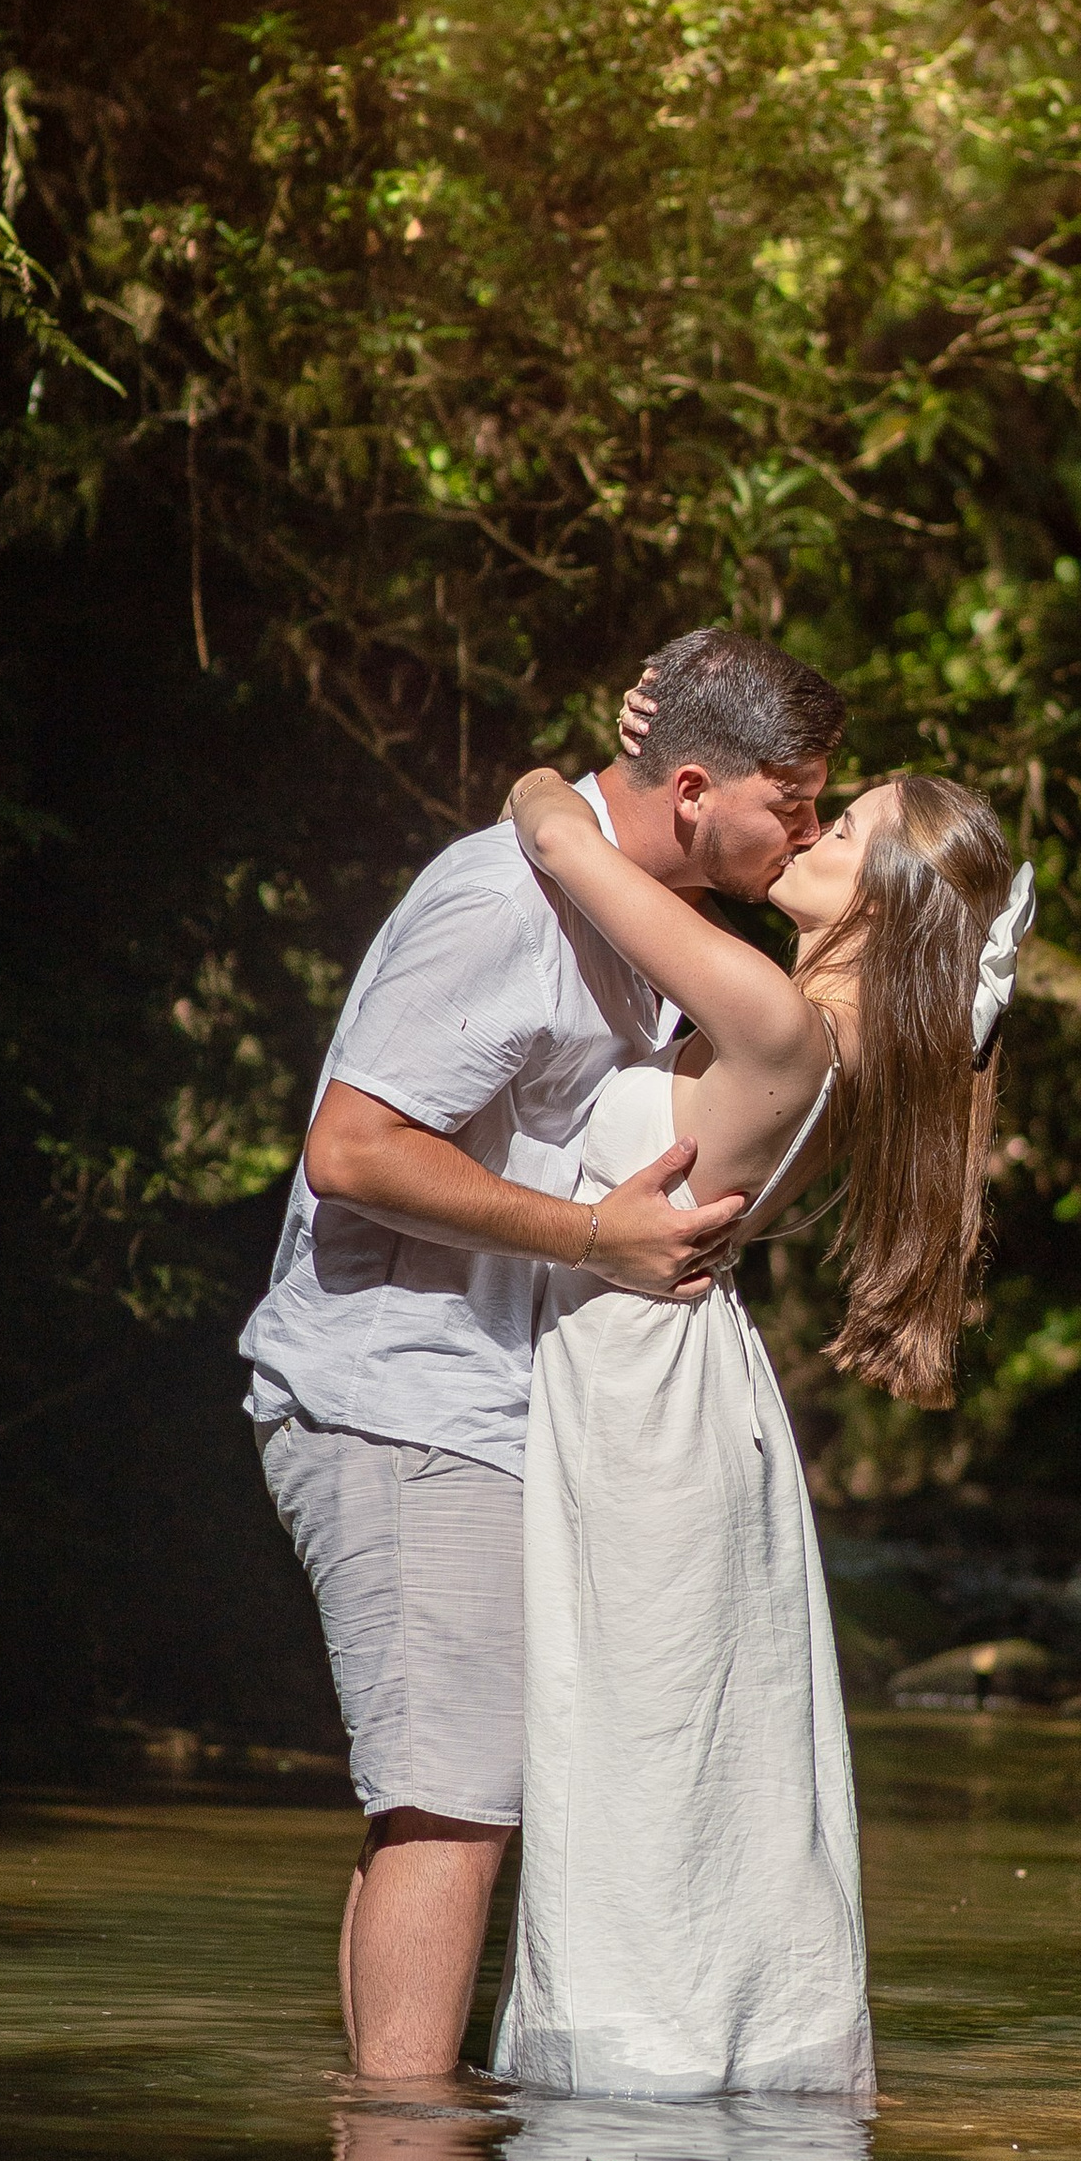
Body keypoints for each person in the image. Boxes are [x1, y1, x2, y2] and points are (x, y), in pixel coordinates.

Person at [239, 627, 850, 2082]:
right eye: (800, 801)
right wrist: (592, 1246)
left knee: (437, 1804)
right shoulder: (500, 904)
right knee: (454, 1806)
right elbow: (350, 1147)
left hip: (492, 1408)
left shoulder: (625, 913)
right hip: (398, 1395)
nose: (812, 831)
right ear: (695, 787)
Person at [487, 742, 1033, 2100]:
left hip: (641, 1388)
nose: (804, 829)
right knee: (671, 1735)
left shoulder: (781, 1023)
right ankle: (701, 2046)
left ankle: (640, 2067)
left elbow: (557, 839)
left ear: (885, 904)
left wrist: (569, 770)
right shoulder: (807, 1023)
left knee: (641, 1737)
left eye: (841, 827)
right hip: (672, 1378)